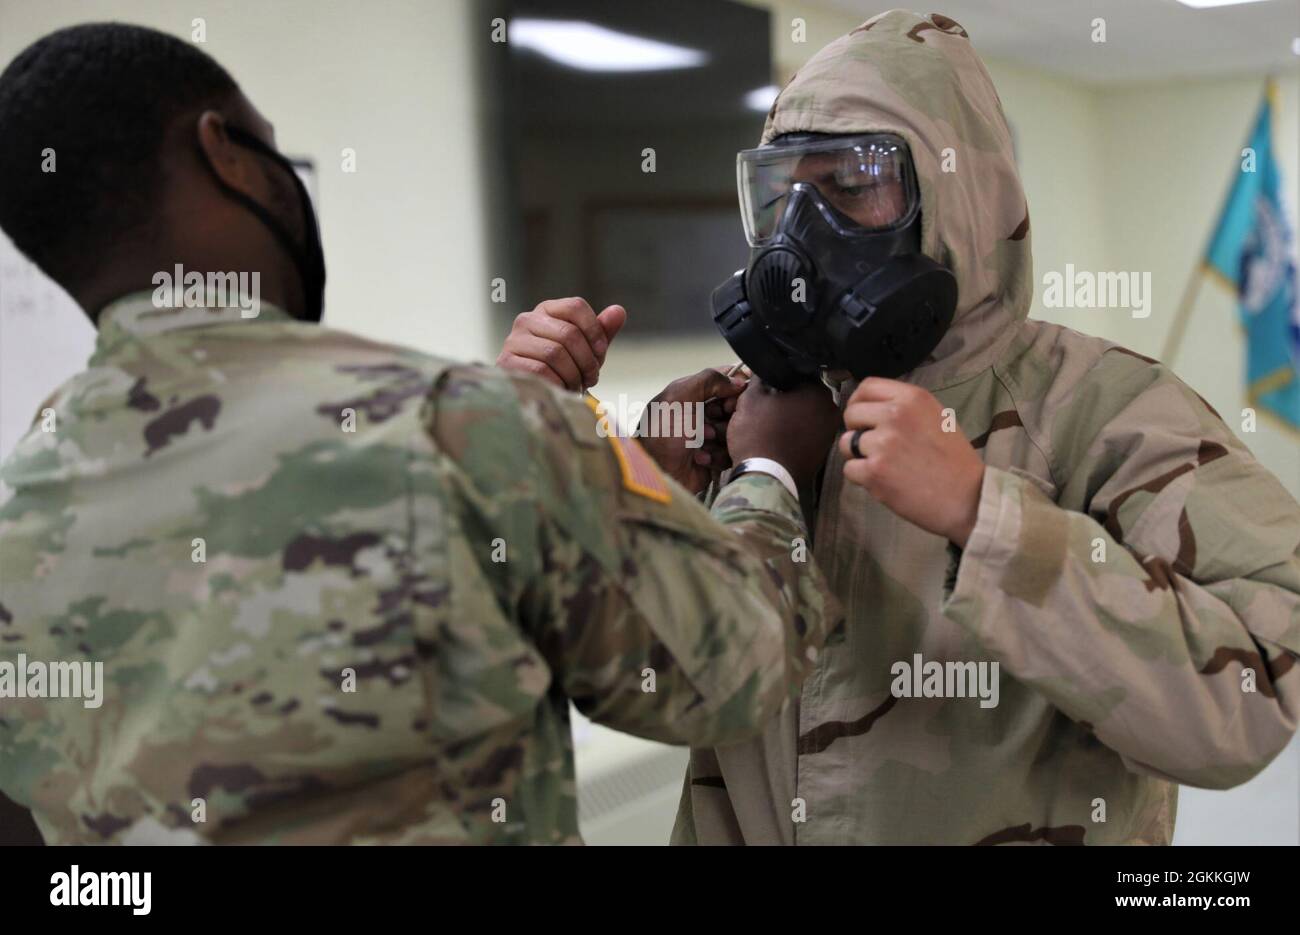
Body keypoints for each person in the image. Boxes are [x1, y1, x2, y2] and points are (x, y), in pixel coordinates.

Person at [0, 23, 842, 845]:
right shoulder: (449, 426)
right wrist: (769, 466)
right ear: (225, 152)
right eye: (271, 147)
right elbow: (733, 667)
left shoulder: (20, 498)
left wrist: (613, 471)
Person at [499, 9, 1300, 844]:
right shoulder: (741, 421)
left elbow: (1250, 708)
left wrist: (983, 516)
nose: (803, 232)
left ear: (955, 203)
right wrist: (545, 454)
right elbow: (611, 678)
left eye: (849, 189)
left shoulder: (1106, 409)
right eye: (785, 194)